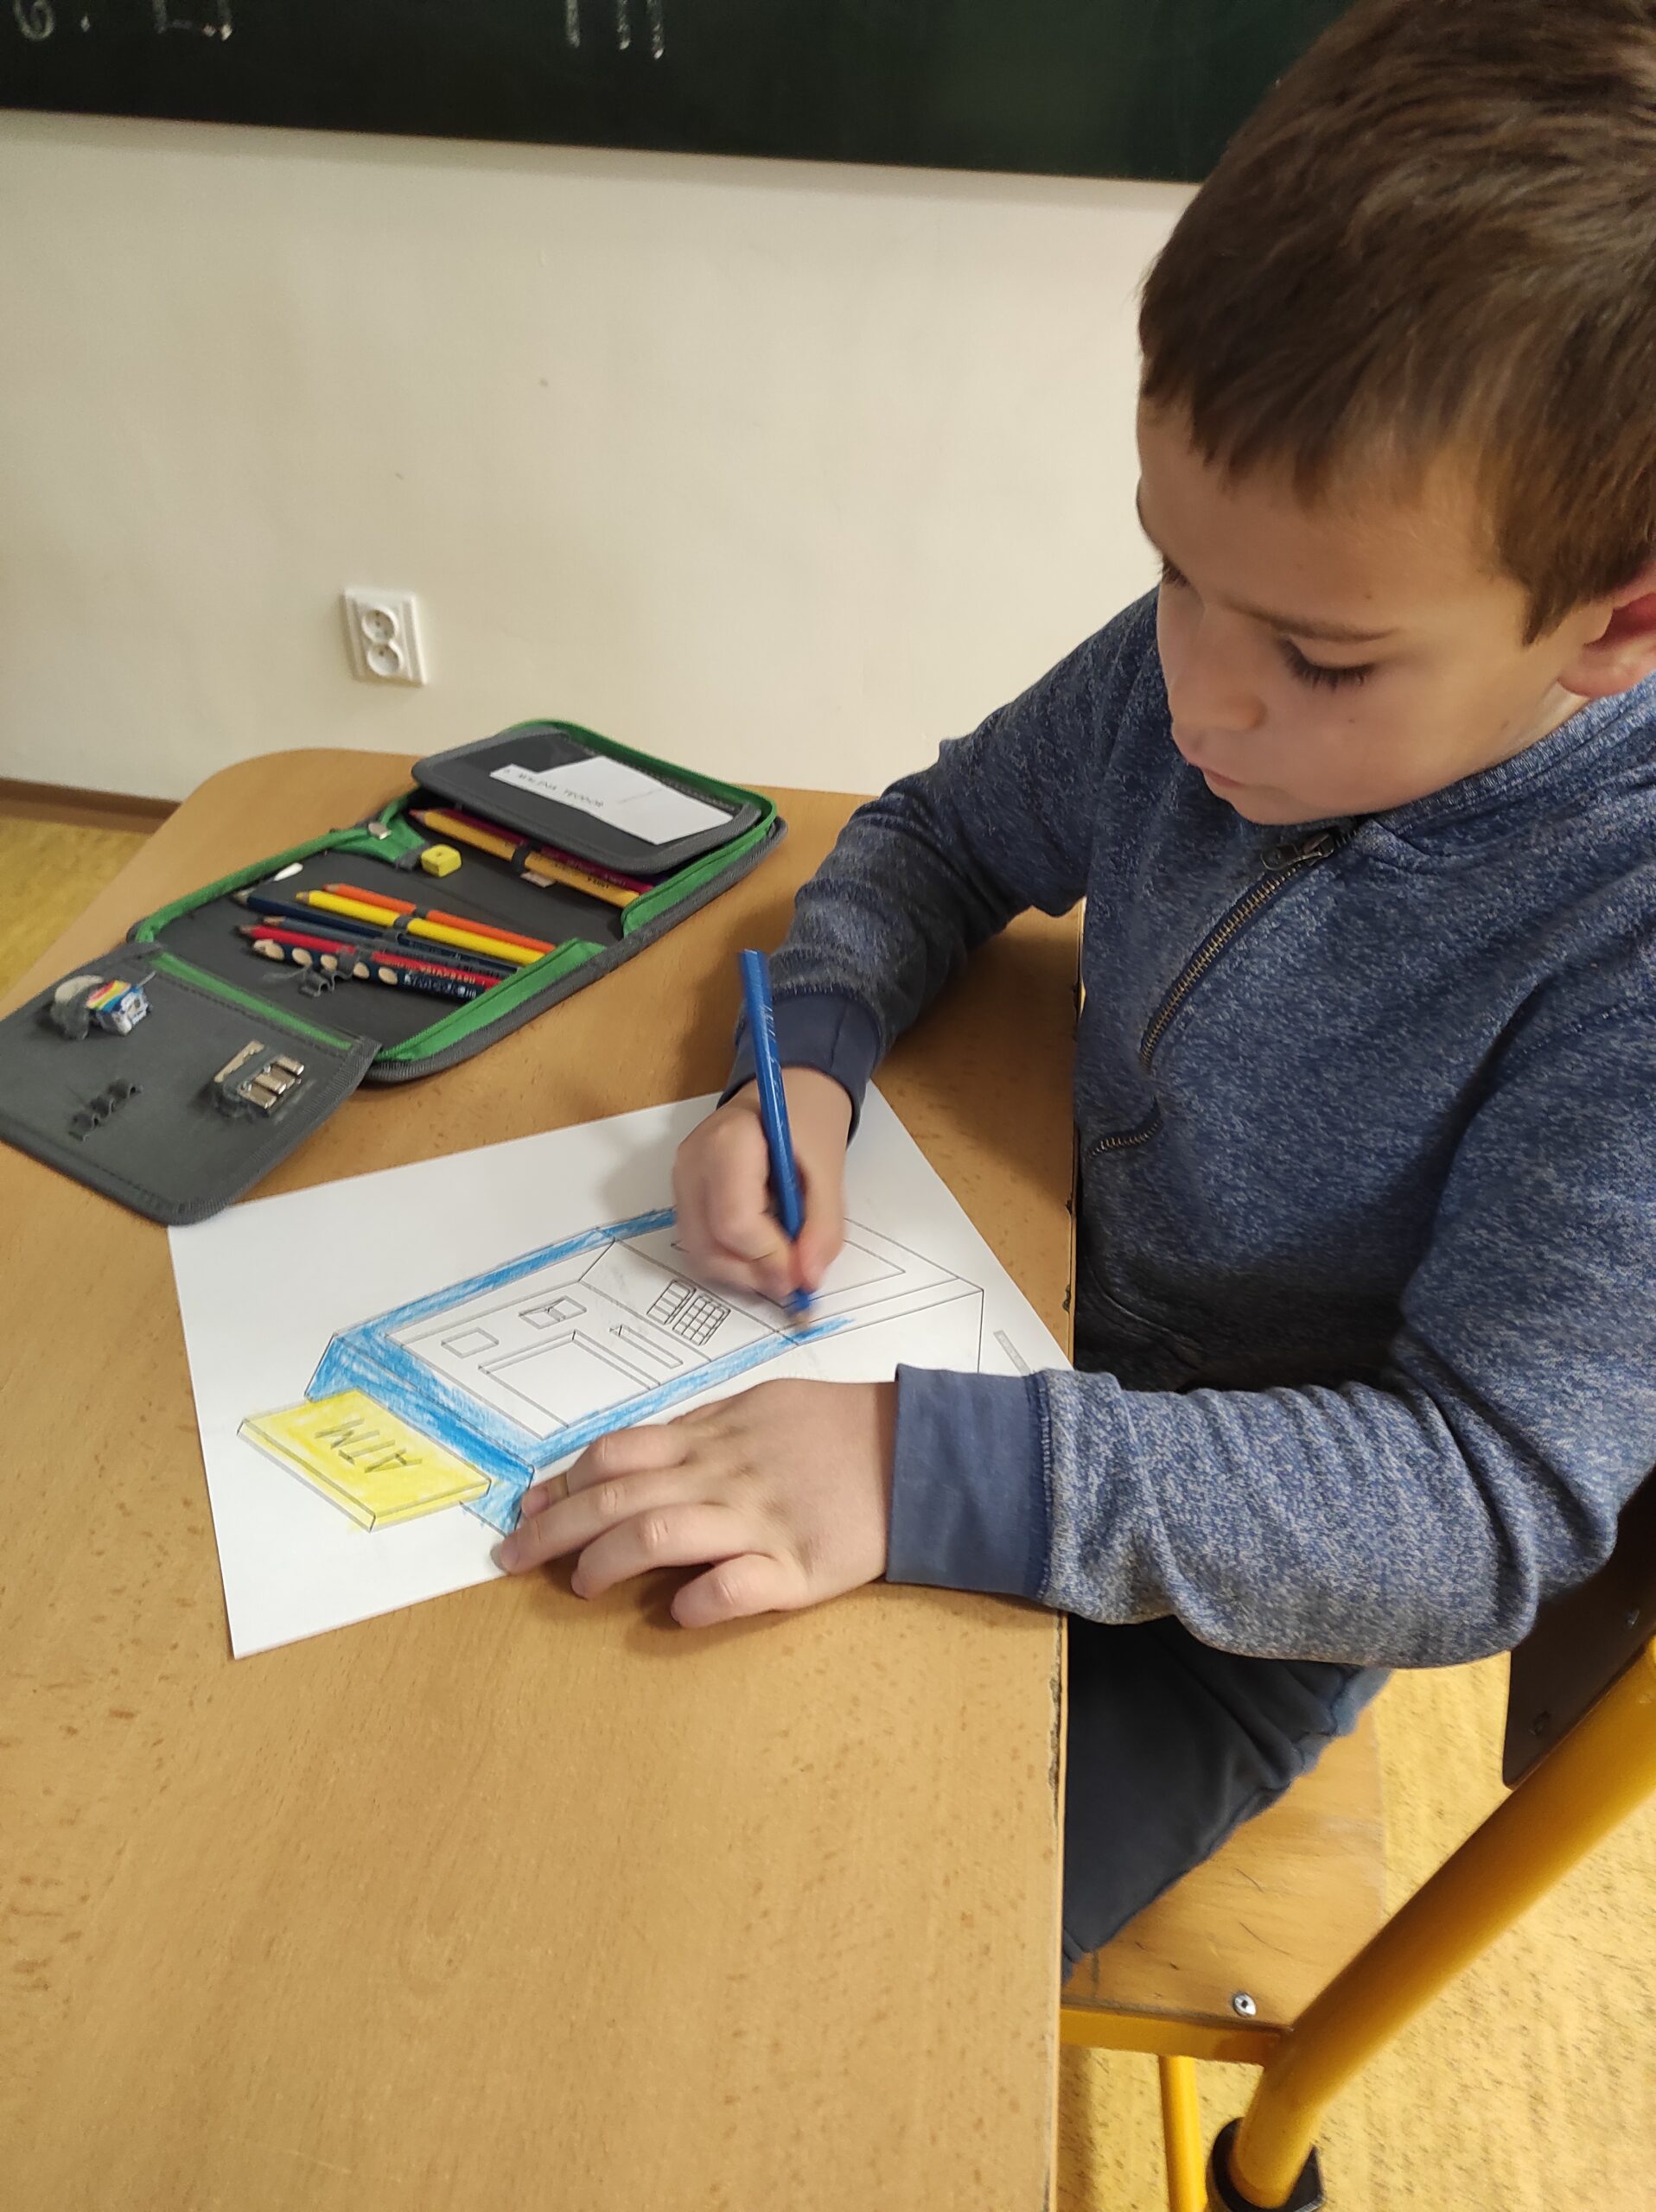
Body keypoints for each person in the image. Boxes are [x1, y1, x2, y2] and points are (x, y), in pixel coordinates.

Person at [500, 0, 1656, 1966]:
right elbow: (941, 835)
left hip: (1227, 1598)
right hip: (1002, 1303)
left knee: (801, 1971)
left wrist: (929, 1464)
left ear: (1617, 622)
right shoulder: (1217, 645)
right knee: (535, 1777)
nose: (1197, 697)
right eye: (1171, 572)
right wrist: (812, 1065)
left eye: (1320, 659)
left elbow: (1475, 1509)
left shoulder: (1620, 938)